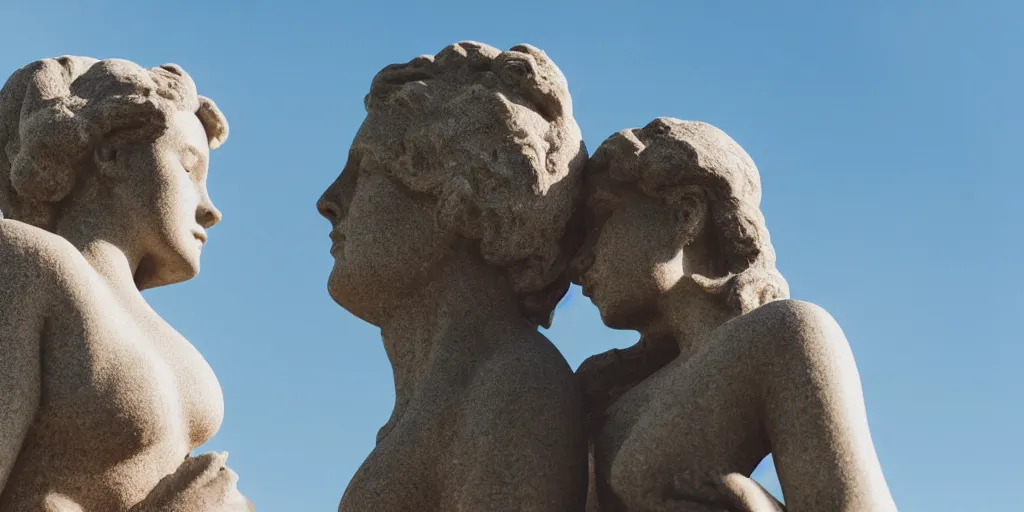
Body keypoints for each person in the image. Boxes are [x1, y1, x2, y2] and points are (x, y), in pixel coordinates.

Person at [571, 118, 897, 511]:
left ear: (685, 214)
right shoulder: (607, 400)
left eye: (603, 219)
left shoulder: (781, 336)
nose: (579, 261)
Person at [317, 41, 589, 511]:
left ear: (461, 194)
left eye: (365, 171)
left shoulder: (513, 389)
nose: (330, 200)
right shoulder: (452, 397)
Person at [0, 57, 251, 511]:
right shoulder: (25, 262)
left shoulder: (158, 333)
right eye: (190, 169)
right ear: (112, 152)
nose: (209, 207)